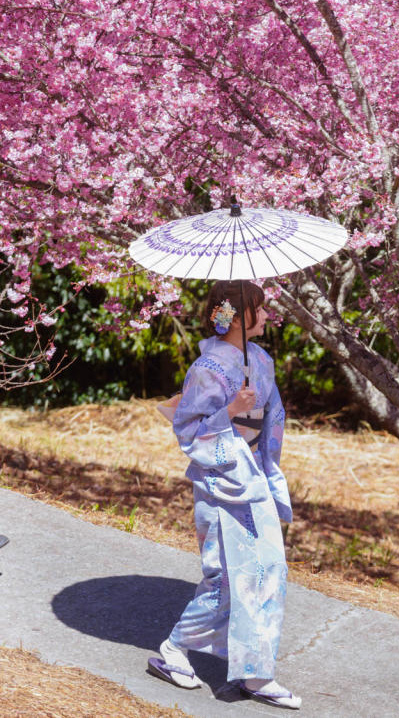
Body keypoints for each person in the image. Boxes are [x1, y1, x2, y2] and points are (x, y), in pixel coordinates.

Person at [147, 280, 300, 710]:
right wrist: (230, 412)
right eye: (261, 309)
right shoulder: (207, 370)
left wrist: (268, 463)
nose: (267, 316)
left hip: (253, 475)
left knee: (267, 570)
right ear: (238, 314)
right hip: (222, 481)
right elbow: (189, 429)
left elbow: (274, 417)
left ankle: (255, 672)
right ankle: (174, 650)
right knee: (227, 577)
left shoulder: (263, 361)